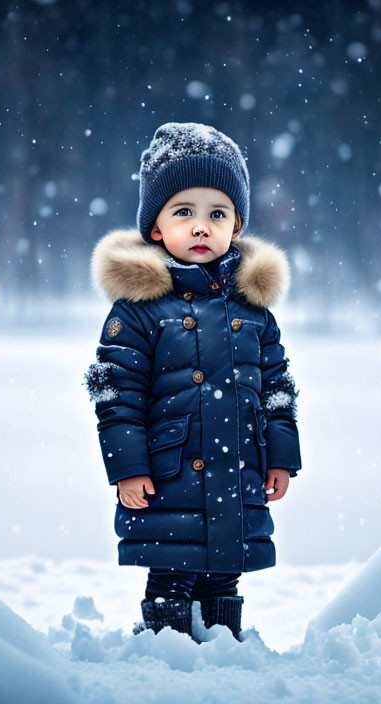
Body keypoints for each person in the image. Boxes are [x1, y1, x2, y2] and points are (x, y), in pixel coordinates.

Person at [84, 122, 302, 643]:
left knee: (226, 569)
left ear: (237, 225)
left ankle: (225, 658)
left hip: (238, 467)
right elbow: (114, 394)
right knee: (173, 569)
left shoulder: (254, 312)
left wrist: (280, 455)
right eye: (184, 212)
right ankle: (166, 657)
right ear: (156, 228)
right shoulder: (139, 311)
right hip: (169, 471)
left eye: (217, 213)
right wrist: (128, 468)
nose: (201, 227)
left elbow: (278, 388)